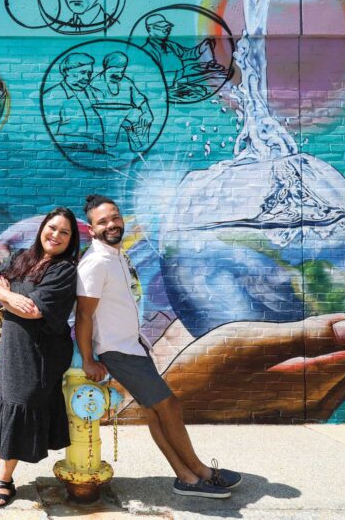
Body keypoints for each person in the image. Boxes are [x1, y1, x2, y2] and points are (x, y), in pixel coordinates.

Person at [75, 195, 241, 498]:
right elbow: (84, 315)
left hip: (133, 347)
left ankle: (185, 478)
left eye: (115, 217)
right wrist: (88, 359)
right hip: (118, 351)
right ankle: (201, 473)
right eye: (103, 221)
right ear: (91, 229)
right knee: (169, 405)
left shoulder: (115, 254)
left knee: (155, 412)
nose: (112, 224)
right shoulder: (95, 263)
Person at [0, 207, 80, 508]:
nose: (56, 235)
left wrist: (2, 295)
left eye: (64, 232)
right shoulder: (23, 257)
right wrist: (8, 296)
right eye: (52, 228)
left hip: (40, 354)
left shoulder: (64, 270)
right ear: (42, 229)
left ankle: (4, 480)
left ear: (71, 239)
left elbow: (35, 310)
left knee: (19, 410)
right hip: (13, 349)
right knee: (5, 408)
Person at [89, 51, 153, 152]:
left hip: (127, 119)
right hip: (107, 122)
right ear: (107, 68)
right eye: (116, 72)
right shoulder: (94, 84)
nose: (119, 75)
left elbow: (140, 99)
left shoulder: (127, 82)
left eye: (122, 72)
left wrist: (147, 112)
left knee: (142, 118)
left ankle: (138, 145)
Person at [43, 52, 105, 153]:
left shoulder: (96, 94)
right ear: (66, 71)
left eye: (89, 73)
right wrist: (86, 143)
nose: (87, 77)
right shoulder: (52, 97)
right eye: (82, 72)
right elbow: (48, 137)